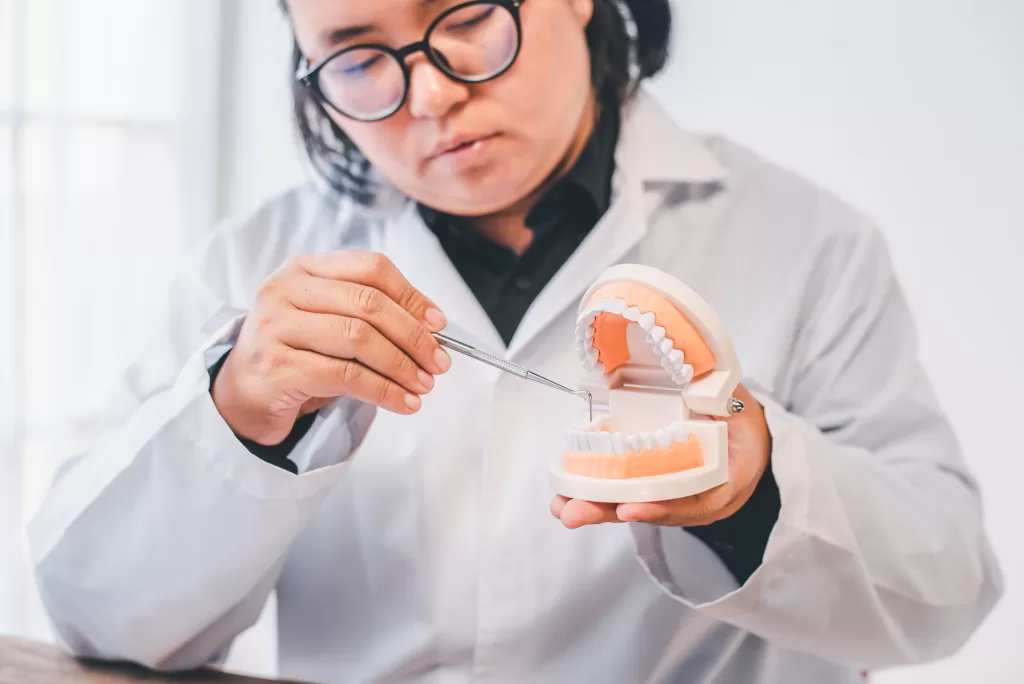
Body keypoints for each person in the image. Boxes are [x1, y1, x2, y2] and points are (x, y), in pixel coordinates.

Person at [28, 0, 1002, 682]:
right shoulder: (249, 267)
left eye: (466, 18)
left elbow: (945, 592)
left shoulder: (805, 242)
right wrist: (237, 414)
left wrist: (756, 489)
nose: (430, 95)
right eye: (357, 56)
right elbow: (104, 622)